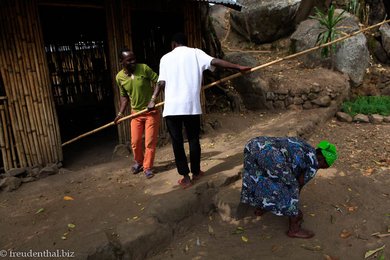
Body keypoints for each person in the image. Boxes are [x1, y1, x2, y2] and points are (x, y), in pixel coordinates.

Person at [147, 32, 251, 189]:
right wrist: (237, 67)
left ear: (173, 44)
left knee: (177, 143)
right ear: (184, 43)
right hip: (191, 107)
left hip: (172, 109)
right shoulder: (196, 53)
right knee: (194, 139)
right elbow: (215, 61)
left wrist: (153, 99)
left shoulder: (165, 58)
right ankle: (196, 172)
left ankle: (186, 178)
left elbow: (161, 82)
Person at [237, 137, 338, 239]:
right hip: (272, 156)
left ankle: (261, 207)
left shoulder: (307, 147)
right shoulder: (313, 164)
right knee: (292, 186)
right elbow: (298, 185)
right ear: (322, 160)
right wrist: (294, 207)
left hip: (254, 145)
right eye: (325, 166)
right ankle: (294, 229)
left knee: (259, 176)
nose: (321, 168)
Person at [114, 48, 159, 179]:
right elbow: (124, 97)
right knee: (135, 141)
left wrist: (153, 100)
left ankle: (147, 167)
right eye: (129, 60)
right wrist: (120, 113)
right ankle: (139, 162)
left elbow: (159, 81)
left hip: (151, 112)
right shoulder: (119, 77)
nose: (133, 62)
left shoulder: (144, 68)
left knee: (149, 142)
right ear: (121, 61)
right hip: (135, 114)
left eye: (134, 59)